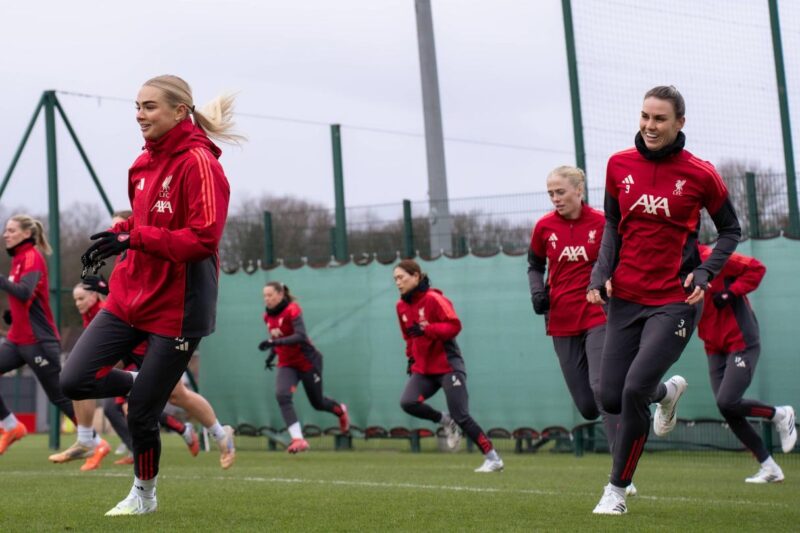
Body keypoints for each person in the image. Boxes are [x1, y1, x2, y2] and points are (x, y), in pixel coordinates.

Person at [60, 74, 238, 516]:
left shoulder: (200, 163)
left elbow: (203, 239)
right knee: (74, 380)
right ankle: (145, 382)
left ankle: (144, 494)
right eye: (137, 106)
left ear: (179, 111)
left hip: (179, 307)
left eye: (149, 106)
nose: (140, 115)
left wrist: (135, 237)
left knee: (140, 411)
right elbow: (144, 223)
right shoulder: (142, 163)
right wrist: (120, 232)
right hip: (128, 297)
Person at [586, 85, 741, 515]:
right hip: (625, 297)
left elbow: (730, 230)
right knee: (611, 397)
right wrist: (600, 273)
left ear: (679, 123)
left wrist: (706, 271)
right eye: (645, 116)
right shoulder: (618, 164)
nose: (650, 126)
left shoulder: (701, 174)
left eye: (659, 119)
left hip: (675, 300)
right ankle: (667, 393)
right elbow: (612, 225)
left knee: (634, 390)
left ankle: (616, 491)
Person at [528, 165, 636, 495]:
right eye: (551, 193)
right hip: (561, 320)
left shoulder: (603, 223)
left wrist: (609, 285)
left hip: (598, 314)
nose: (555, 198)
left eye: (560, 192)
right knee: (588, 406)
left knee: (603, 389)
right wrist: (537, 291)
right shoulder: (544, 227)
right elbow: (534, 265)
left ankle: (621, 474)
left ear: (579, 190)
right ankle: (648, 393)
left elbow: (620, 260)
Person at [696, 244, 795, 482]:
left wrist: (731, 292)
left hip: (742, 341)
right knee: (727, 407)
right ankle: (770, 467)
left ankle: (780, 414)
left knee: (727, 401)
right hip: (713, 346)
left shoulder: (711, 257)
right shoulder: (670, 267)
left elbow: (757, 268)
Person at [393, 259, 504, 473]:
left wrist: (427, 330)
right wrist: (411, 358)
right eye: (395, 279)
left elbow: (454, 326)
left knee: (461, 415)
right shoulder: (401, 307)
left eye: (401, 277)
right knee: (407, 402)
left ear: (415, 276)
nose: (398, 282)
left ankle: (493, 458)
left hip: (448, 366)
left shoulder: (434, 298)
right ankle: (445, 420)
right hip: (423, 369)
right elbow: (408, 338)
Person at [0, 215, 76, 453]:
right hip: (17, 339)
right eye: (6, 230)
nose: (6, 234)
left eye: (11, 230)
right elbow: (26, 298)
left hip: (38, 341)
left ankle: (93, 440)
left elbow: (24, 292)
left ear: (26, 233)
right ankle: (11, 426)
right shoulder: (18, 258)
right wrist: (13, 316)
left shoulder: (32, 257)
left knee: (59, 396)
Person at [257, 282, 349, 453]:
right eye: (264, 296)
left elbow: (300, 336)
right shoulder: (267, 317)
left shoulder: (292, 309)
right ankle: (298, 439)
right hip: (287, 364)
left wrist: (273, 343)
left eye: (270, 295)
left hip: (308, 362)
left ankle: (341, 411)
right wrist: (271, 356)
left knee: (317, 403)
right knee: (282, 395)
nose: (266, 299)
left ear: (280, 294)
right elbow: (278, 340)